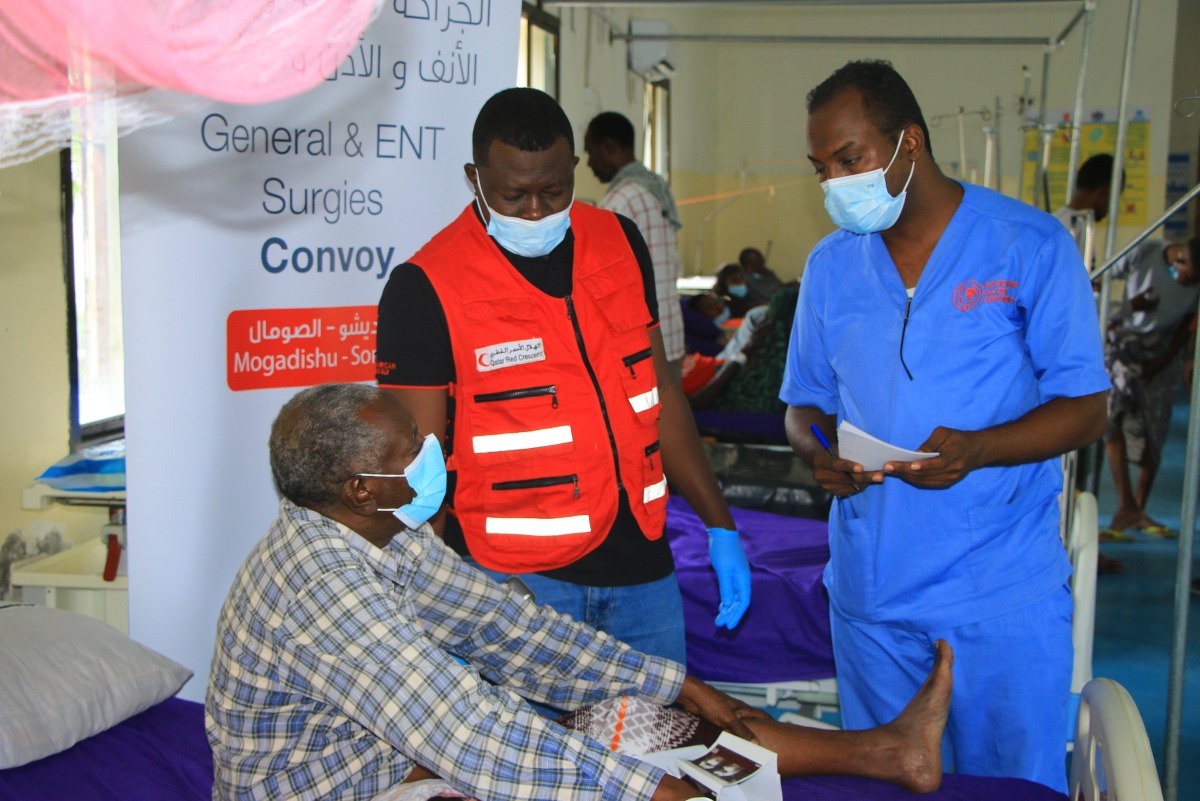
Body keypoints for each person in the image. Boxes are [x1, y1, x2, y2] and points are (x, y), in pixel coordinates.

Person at [206, 382, 958, 800]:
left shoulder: (382, 532)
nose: (439, 455)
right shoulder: (319, 587)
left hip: (399, 766)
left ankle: (888, 753)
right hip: (344, 792)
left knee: (624, 720)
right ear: (361, 487)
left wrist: (680, 685)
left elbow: (510, 628)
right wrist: (646, 796)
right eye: (416, 450)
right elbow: (467, 732)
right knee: (570, 767)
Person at [781, 60, 1109, 791]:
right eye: (820, 168)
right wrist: (818, 452)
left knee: (1011, 785)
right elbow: (802, 403)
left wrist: (980, 449)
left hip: (998, 593)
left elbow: (1088, 406)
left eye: (850, 160)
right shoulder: (832, 267)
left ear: (911, 144)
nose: (834, 183)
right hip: (873, 599)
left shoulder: (1026, 246)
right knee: (887, 783)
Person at [375, 88, 751, 668]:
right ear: (474, 178)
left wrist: (719, 524)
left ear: (576, 168)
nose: (535, 212)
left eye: (554, 191)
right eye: (514, 194)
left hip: (643, 574)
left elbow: (659, 396)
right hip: (516, 589)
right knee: (530, 761)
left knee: (655, 752)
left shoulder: (621, 242)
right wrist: (431, 602)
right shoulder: (425, 285)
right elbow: (413, 468)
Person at [1101, 237, 1200, 539]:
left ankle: (1138, 508)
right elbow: (1101, 284)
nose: (1189, 284)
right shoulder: (1143, 253)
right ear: (1179, 259)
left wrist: (1166, 360)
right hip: (1125, 345)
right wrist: (1133, 305)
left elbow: (1187, 322)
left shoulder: (1197, 277)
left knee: (1154, 429)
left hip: (1165, 350)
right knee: (1112, 420)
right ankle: (1124, 505)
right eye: (1189, 277)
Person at [584, 111, 686, 381]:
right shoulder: (656, 187)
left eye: (591, 153)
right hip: (671, 337)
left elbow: (604, 283)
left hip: (642, 346)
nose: (589, 164)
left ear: (609, 147)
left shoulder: (619, 202)